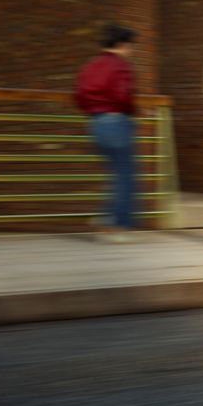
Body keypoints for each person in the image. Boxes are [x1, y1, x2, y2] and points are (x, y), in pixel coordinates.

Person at [74, 24, 139, 243]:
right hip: (117, 122)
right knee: (126, 177)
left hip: (96, 123)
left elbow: (79, 95)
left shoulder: (91, 65)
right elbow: (123, 96)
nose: (132, 51)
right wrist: (132, 111)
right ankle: (117, 226)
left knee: (117, 176)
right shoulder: (120, 66)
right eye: (131, 46)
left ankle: (105, 220)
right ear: (122, 45)